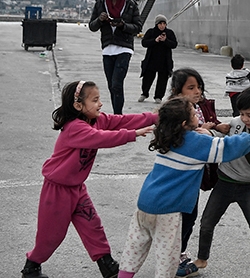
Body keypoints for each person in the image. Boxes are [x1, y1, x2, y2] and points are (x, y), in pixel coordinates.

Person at [117, 98, 250, 278]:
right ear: (185, 123)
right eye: (193, 113)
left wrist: (204, 131)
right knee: (167, 260)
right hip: (168, 210)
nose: (197, 113)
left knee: (134, 249)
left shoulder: (166, 136)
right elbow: (226, 147)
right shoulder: (195, 142)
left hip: (144, 204)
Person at [23, 81, 156, 278]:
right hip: (57, 190)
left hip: (77, 188)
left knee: (92, 225)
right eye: (95, 100)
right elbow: (101, 138)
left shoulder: (96, 120)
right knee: (51, 235)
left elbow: (123, 120)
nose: (100, 104)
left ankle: (107, 265)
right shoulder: (75, 128)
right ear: (78, 105)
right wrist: (132, 134)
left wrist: (155, 117)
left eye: (99, 99)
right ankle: (31, 267)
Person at [194, 87, 250, 276]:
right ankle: (201, 260)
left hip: (248, 187)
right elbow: (223, 139)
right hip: (224, 182)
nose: (244, 119)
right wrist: (211, 132)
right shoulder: (236, 123)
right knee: (207, 222)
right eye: (241, 114)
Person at [169, 68, 223, 277]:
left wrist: (209, 129)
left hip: (195, 174)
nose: (197, 91)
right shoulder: (175, 112)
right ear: (177, 91)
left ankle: (177, 253)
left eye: (199, 87)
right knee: (183, 216)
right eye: (191, 88)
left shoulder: (198, 107)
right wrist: (202, 131)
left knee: (189, 216)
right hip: (181, 175)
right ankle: (175, 257)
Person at [88, 0, 141, 114]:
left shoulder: (130, 4)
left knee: (117, 83)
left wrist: (123, 25)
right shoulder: (100, 3)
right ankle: (116, 113)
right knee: (111, 85)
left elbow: (138, 27)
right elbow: (92, 26)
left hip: (125, 47)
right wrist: (100, 19)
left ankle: (118, 115)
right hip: (107, 48)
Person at [139, 14, 177, 103]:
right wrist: (155, 40)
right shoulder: (151, 32)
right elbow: (144, 43)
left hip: (164, 61)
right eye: (160, 23)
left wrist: (165, 40)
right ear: (157, 24)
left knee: (162, 80)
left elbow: (174, 44)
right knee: (147, 78)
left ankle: (158, 96)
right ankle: (144, 93)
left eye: (164, 24)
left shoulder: (169, 33)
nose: (162, 25)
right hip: (151, 60)